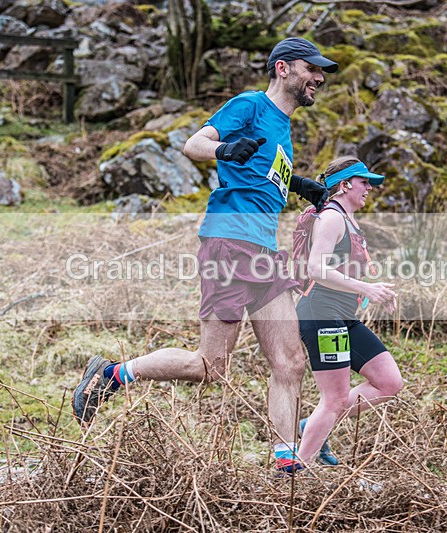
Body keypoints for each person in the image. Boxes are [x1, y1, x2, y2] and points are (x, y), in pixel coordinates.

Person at [72, 37, 338, 474]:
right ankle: (111, 374)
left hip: (264, 251)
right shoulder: (250, 105)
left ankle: (287, 466)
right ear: (283, 68)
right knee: (209, 367)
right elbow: (194, 143)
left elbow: (257, 171)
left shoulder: (283, 128)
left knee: (290, 361)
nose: (319, 78)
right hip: (229, 242)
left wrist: (298, 184)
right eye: (312, 69)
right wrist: (223, 149)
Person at [295, 156, 404, 467]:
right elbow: (316, 269)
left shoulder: (348, 219)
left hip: (344, 315)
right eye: (363, 182)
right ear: (344, 185)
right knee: (334, 399)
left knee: (389, 382)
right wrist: (365, 288)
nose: (369, 188)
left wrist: (375, 291)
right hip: (322, 314)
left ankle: (314, 425)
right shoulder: (332, 217)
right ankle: (295, 472)